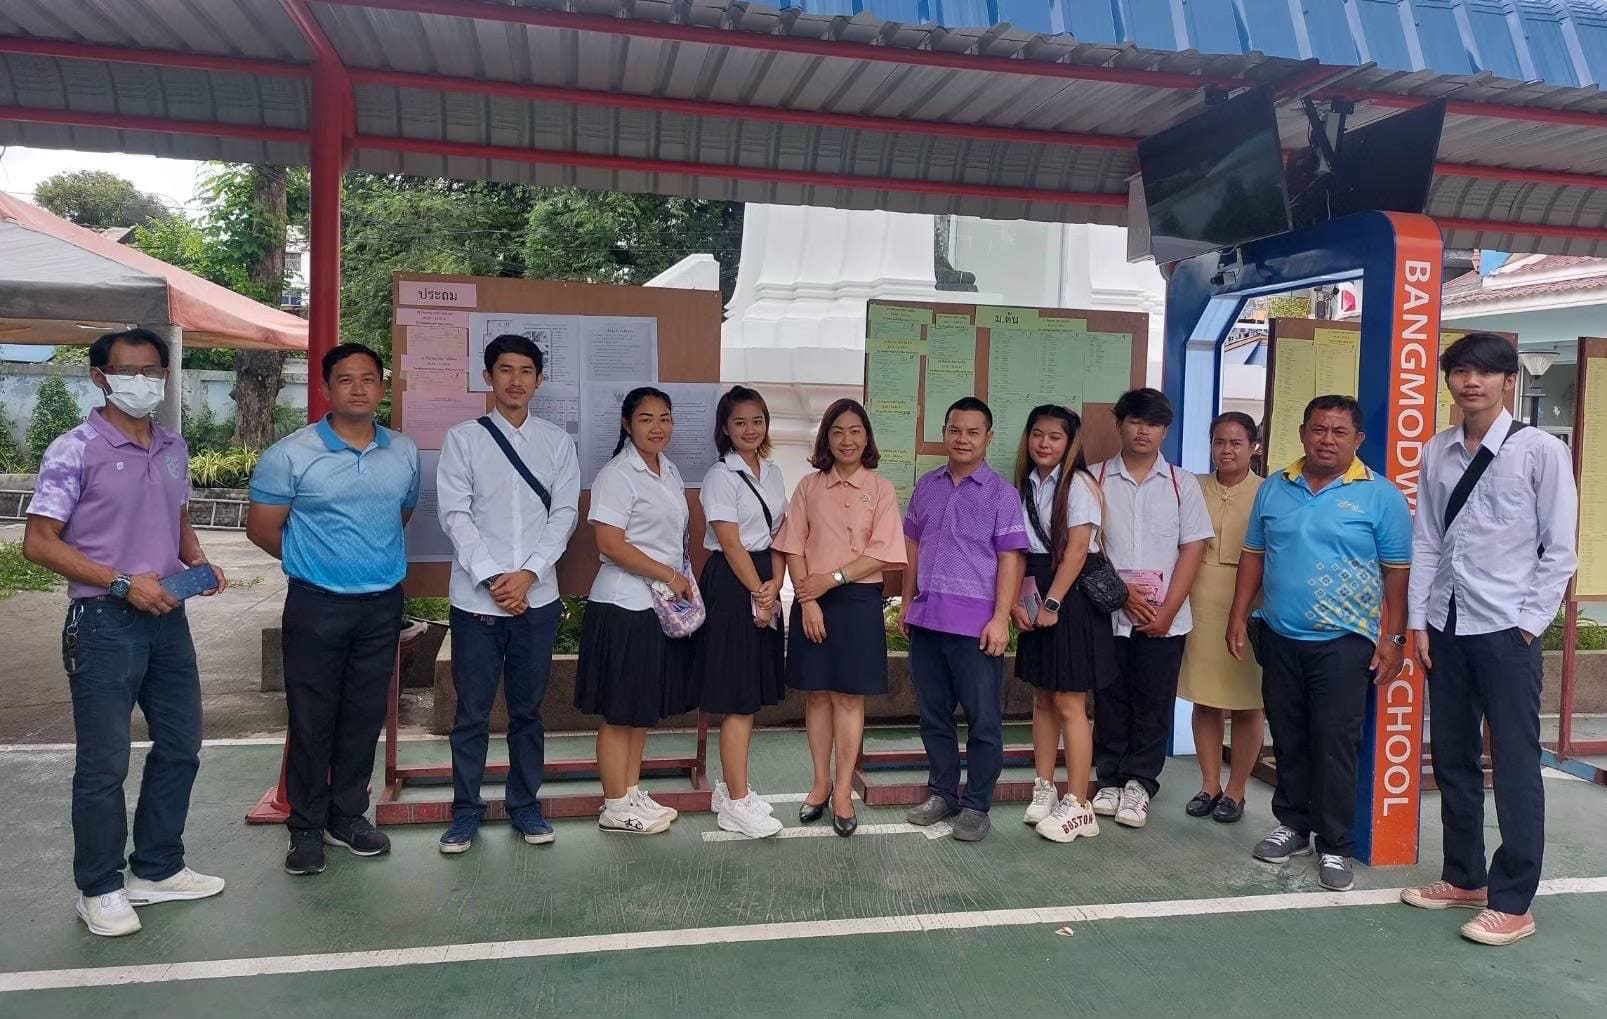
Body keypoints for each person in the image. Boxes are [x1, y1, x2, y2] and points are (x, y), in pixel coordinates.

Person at [23, 328, 227, 937]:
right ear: (99, 377)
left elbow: (177, 515)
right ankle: (100, 887)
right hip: (104, 623)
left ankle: (157, 868)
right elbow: (39, 543)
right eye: (127, 371)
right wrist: (120, 583)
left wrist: (197, 561)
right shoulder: (74, 449)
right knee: (104, 762)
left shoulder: (173, 446)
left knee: (182, 745)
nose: (142, 382)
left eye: (152, 371)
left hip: (168, 618)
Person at [1400, 333, 1577, 946]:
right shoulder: (1437, 450)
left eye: (1485, 372)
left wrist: (1528, 624)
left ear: (1508, 381)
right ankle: (1464, 876)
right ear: (1448, 380)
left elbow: (1560, 549)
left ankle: (1514, 901)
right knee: (1452, 756)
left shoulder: (1541, 451)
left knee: (1515, 762)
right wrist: (1418, 620)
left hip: (1506, 629)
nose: (1471, 382)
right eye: (1460, 371)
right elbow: (1427, 539)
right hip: (1446, 625)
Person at [247, 342, 421, 877]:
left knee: (364, 715)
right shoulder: (291, 454)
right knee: (312, 716)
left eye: (369, 379)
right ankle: (305, 827)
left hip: (381, 603)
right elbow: (263, 529)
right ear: (327, 388)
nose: (359, 389)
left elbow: (400, 513)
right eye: (346, 379)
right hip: (316, 603)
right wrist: (317, 562)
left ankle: (346, 817)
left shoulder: (403, 451)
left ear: (381, 387)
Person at [1227, 395, 1411, 893]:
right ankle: (1292, 825)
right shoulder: (1275, 487)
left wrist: (1395, 639)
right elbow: (1253, 556)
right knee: (1289, 736)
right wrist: (1238, 615)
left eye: (1338, 432)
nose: (1327, 440)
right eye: (1318, 429)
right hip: (1280, 635)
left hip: (1345, 642)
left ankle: (1335, 844)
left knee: (1334, 744)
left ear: (1358, 440)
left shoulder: (1381, 497)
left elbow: (1397, 575)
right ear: (1303, 432)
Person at [433, 334, 580, 855]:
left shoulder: (557, 443)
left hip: (536, 601)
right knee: (471, 714)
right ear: (488, 377)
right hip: (477, 602)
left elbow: (564, 514)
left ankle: (524, 806)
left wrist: (529, 575)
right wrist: (496, 577)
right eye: (505, 370)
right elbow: (455, 514)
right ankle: (465, 811)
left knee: (528, 712)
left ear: (538, 380)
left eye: (525, 371)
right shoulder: (463, 440)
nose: (515, 380)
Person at [773, 398, 906, 836]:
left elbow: (883, 552)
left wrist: (832, 579)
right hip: (813, 600)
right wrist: (809, 600)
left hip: (858, 602)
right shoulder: (809, 487)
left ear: (867, 438)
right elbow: (792, 546)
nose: (846, 440)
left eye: (855, 431)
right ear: (825, 439)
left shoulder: (880, 489)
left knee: (849, 698)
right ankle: (820, 783)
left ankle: (844, 790)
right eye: (837, 431)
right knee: (817, 696)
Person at [899, 396, 1028, 843]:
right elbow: (912, 547)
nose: (963, 439)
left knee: (983, 720)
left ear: (988, 438)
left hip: (976, 627)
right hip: (927, 620)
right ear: (944, 433)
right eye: (955, 430)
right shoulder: (927, 486)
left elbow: (1010, 559)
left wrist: (1000, 619)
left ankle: (976, 805)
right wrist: (906, 602)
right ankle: (942, 793)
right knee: (933, 716)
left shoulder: (1002, 495)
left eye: (973, 432)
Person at [575, 387, 698, 835]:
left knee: (639, 707)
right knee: (619, 712)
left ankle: (630, 792)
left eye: (665, 418)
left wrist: (672, 580)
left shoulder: (668, 470)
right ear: (627, 425)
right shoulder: (617, 475)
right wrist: (669, 575)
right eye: (646, 419)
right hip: (623, 604)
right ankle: (613, 805)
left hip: (655, 608)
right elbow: (610, 544)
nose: (657, 427)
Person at [1091, 388, 1213, 829]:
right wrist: (1120, 594)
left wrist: (1168, 611)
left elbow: (1193, 548)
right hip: (1106, 614)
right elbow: (1086, 547)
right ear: (1120, 425)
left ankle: (1140, 783)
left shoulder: (1182, 484)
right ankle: (1109, 778)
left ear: (1165, 430)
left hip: (1166, 619)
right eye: (1136, 421)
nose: (1144, 431)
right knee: (1109, 699)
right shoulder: (1094, 479)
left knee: (1153, 702)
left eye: (1154, 424)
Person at [1010, 405, 1111, 845]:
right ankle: (1045, 786)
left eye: (1055, 436)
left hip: (1070, 596)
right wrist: (1019, 598)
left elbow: (1077, 550)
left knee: (1070, 702)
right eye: (1037, 434)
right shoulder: (1028, 482)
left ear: (1070, 444)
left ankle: (1079, 803)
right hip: (1036, 588)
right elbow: (1022, 550)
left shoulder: (1080, 485)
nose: (1044, 443)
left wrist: (1051, 602)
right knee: (1042, 697)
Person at [696, 386, 787, 839]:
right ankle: (735, 803)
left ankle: (730, 789)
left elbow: (782, 535)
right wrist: (760, 593)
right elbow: (730, 543)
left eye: (757, 421)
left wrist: (775, 585)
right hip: (733, 584)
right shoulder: (720, 476)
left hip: (765, 577)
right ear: (725, 429)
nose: (750, 430)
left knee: (749, 691)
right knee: (738, 696)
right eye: (740, 423)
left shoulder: (773, 472)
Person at [1177, 412, 1265, 824]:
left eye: (1235, 443)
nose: (1226, 450)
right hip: (1197, 599)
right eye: (1219, 442)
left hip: (1250, 601)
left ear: (1254, 447)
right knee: (1205, 697)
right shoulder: (1191, 486)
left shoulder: (1269, 492)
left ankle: (1237, 790)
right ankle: (1209, 784)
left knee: (1248, 702)